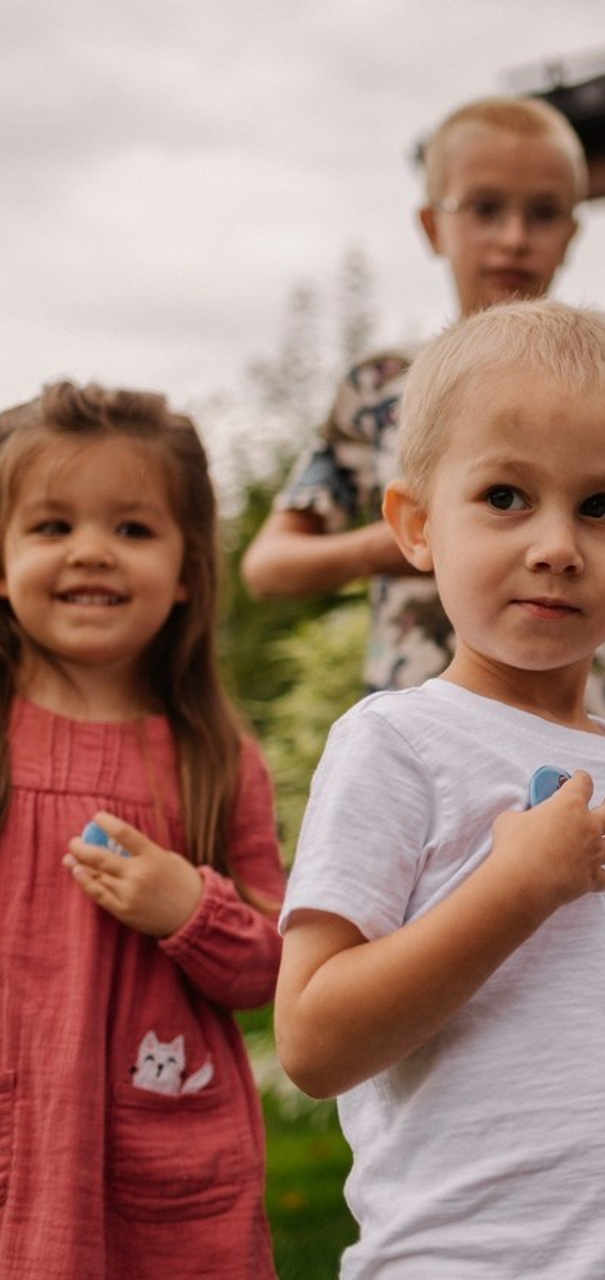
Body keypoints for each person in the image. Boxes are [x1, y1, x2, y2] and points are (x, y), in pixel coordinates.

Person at [273, 300, 605, 1278]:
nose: (556, 543)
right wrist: (511, 890)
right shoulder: (395, 740)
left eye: (601, 506)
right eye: (507, 496)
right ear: (415, 525)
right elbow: (312, 1037)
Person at [240, 95, 605, 729]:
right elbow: (267, 567)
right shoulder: (384, 388)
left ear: (572, 233)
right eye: (484, 209)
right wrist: (398, 542)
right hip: (426, 734)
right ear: (430, 225)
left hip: (588, 725)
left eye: (543, 213)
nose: (514, 238)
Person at [0, 382, 285, 1277]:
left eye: (132, 528)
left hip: (155, 1159)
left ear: (190, 568)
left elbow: (277, 962)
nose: (93, 552)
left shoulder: (216, 759)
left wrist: (189, 909)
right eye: (52, 527)